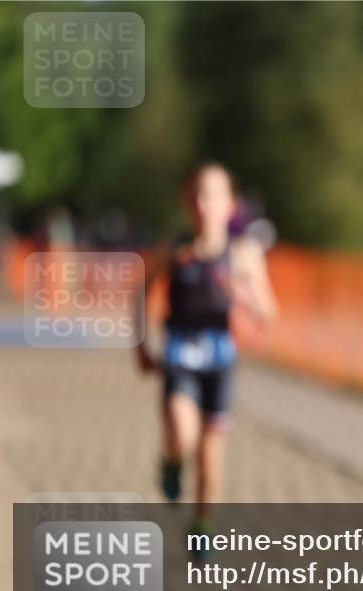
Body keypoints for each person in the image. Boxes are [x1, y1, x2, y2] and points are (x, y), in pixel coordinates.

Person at [135, 162, 277, 557]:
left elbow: (269, 311)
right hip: (179, 354)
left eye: (212, 195)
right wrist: (141, 346)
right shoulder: (173, 248)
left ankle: (202, 527)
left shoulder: (244, 254)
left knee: (211, 456)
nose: (203, 204)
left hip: (220, 360)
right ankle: (171, 462)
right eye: (196, 194)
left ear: (230, 204)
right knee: (183, 432)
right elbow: (140, 292)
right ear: (185, 201)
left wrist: (244, 296)